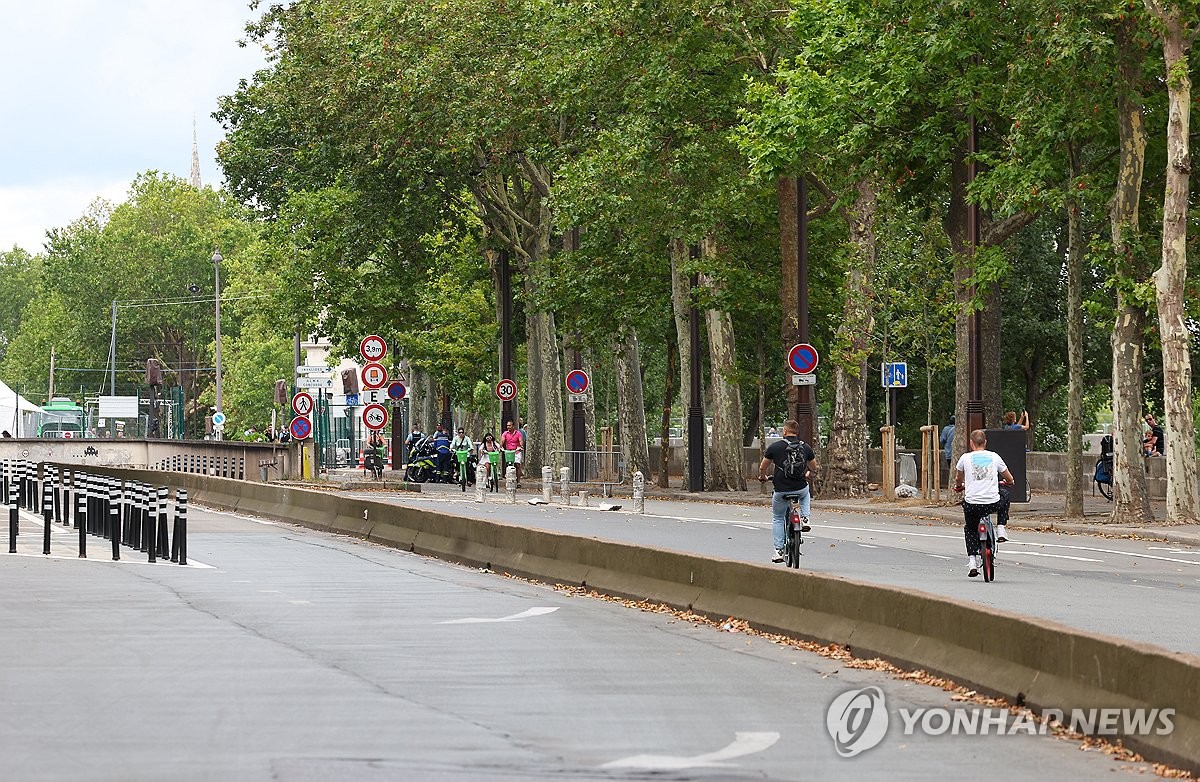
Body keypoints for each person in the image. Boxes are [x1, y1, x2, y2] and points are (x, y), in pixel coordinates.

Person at [954, 429, 1015, 578]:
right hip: (992, 503)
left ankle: (972, 562)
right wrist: (1009, 482)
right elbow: (1008, 477)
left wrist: (959, 486)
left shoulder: (965, 458)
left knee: (970, 529)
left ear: (971, 443)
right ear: (985, 442)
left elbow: (958, 479)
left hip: (972, 504)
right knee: (1005, 495)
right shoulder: (994, 457)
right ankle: (1001, 528)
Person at [757, 419, 817, 564]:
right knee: (805, 493)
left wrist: (763, 476)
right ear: (797, 433)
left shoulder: (775, 447)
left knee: (778, 518)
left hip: (781, 489)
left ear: (784, 431)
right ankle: (805, 518)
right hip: (800, 487)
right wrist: (810, 474)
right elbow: (814, 467)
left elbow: (762, 467)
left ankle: (778, 551)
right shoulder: (805, 447)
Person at [501, 419, 525, 486]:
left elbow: (521, 441)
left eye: (510, 425)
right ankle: (508, 479)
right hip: (509, 452)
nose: (508, 427)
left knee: (517, 465)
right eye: (507, 426)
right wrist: (501, 447)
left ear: (513, 426)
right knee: (508, 464)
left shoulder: (518, 433)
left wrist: (521, 447)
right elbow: (502, 441)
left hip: (517, 451)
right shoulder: (505, 433)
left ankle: (518, 481)